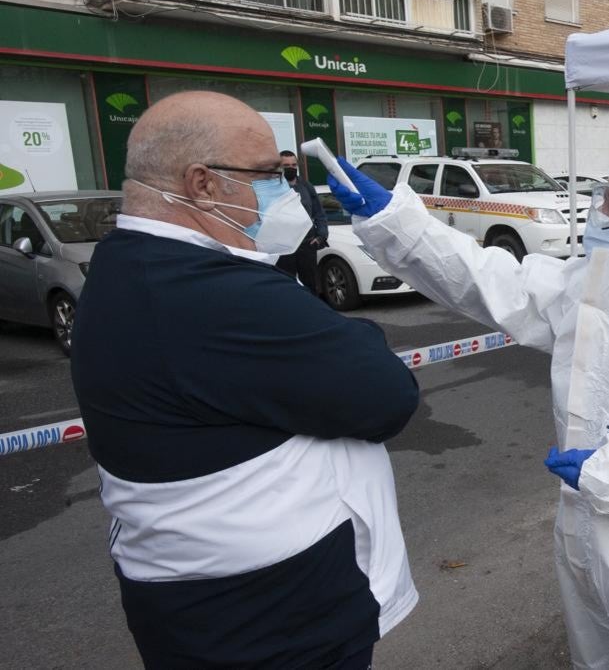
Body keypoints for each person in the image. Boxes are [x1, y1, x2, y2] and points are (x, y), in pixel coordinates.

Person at [331, 145, 609, 668]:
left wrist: (608, 473)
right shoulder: (588, 294)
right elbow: (490, 280)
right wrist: (396, 223)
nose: (596, 217)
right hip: (585, 544)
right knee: (594, 657)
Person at [70, 91, 421, 669]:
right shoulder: (209, 293)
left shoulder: (131, 263)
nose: (284, 191)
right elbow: (385, 393)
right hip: (272, 623)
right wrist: (352, 336)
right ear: (202, 184)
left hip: (216, 610)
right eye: (267, 176)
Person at [276, 149, 329, 295]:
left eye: (293, 165)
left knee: (311, 286)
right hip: (284, 246)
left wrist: (321, 235)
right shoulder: (273, 188)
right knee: (286, 287)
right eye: (286, 165)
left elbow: (319, 213)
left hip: (307, 244)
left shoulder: (306, 186)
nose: (291, 168)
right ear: (279, 167)